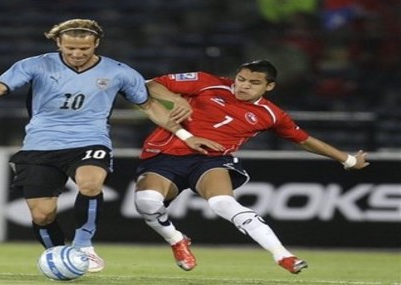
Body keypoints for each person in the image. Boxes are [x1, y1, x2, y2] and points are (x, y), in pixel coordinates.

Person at [0, 18, 216, 273]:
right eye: (71, 47)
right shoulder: (35, 65)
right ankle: (62, 257)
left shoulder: (119, 72)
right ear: (58, 43)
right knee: (42, 214)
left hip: (90, 138)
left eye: (84, 48)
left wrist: (185, 136)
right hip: (40, 143)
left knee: (90, 183)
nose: (77, 53)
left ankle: (84, 245)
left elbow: (149, 105)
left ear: (96, 43)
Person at [133, 59, 370, 274]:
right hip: (163, 155)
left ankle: (283, 256)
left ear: (269, 87)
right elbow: (150, 84)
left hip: (210, 159)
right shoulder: (208, 83)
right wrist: (174, 98)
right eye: (241, 79)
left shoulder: (271, 115)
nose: (244, 86)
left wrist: (347, 159)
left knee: (222, 203)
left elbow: (305, 141)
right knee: (147, 202)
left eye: (254, 83)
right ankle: (176, 240)